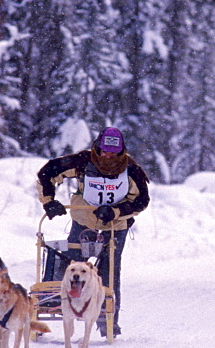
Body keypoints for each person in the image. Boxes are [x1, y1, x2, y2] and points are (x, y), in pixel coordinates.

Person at [36, 127, 150, 336]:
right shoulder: (83, 161)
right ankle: (54, 304)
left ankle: (107, 321)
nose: (108, 157)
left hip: (115, 227)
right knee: (72, 265)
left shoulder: (131, 169)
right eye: (104, 152)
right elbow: (48, 172)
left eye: (113, 154)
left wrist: (116, 211)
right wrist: (49, 202)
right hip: (83, 221)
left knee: (109, 271)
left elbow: (142, 200)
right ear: (97, 148)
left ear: (121, 152)